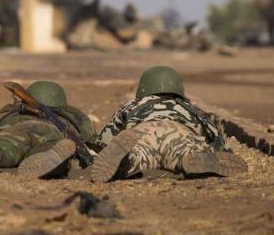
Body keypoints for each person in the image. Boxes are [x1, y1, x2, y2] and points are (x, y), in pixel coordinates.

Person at [91, 66, 247, 182]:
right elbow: (215, 136)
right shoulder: (190, 109)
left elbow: (105, 140)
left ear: (143, 88)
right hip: (178, 132)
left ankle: (126, 160)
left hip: (142, 133)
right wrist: (221, 151)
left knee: (138, 156)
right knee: (185, 152)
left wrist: (104, 149)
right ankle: (195, 156)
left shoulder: (131, 105)